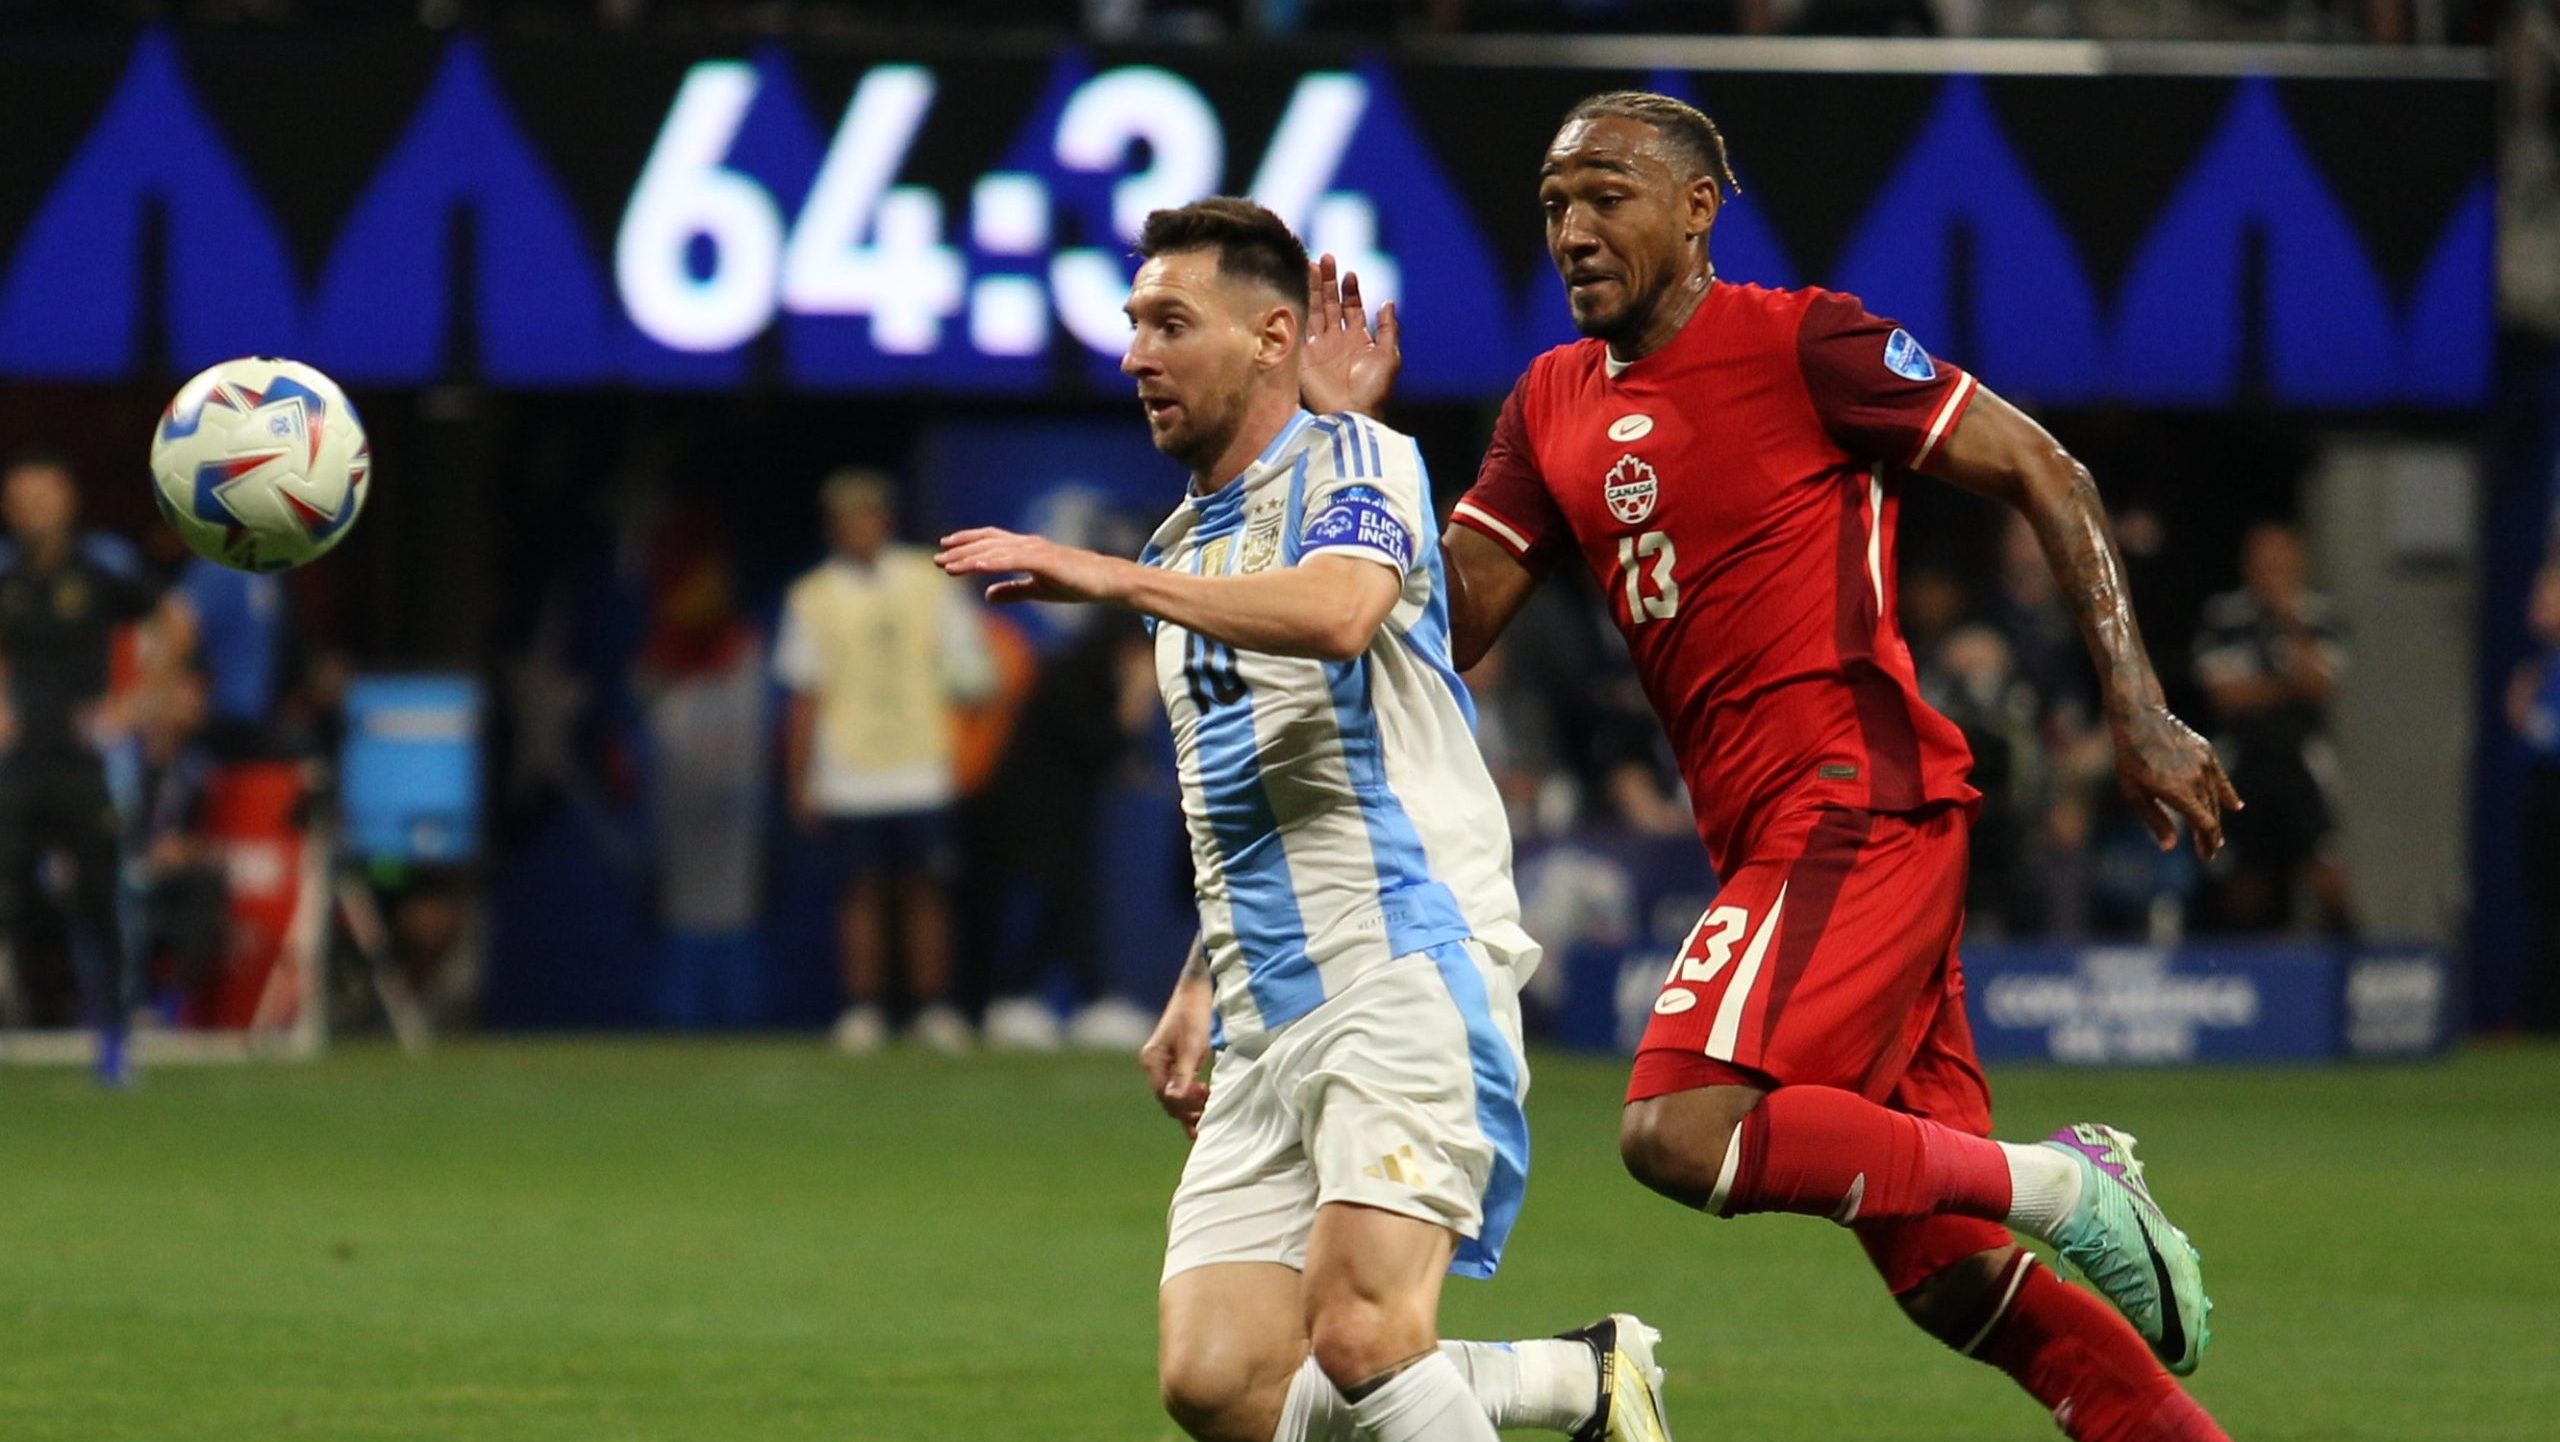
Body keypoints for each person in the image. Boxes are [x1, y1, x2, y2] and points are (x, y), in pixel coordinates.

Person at [1303, 92, 2240, 1441]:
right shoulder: (1550, 401)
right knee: (1947, 1268)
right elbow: (1440, 625)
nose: (1572, 228)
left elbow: (2048, 468)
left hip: (1856, 799)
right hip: (1783, 835)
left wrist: (2140, 706)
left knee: (1678, 1128)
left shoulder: (1806, 342)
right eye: (1556, 203)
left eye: (1607, 194)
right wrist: (1344, 445)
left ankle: (2069, 1180)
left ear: (1697, 209)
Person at [937, 198, 1673, 1442]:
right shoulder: (1193, 541)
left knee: (1363, 1331)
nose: (1135, 354)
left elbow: (1336, 610)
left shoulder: (1357, 460)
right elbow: (1253, 785)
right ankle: (1577, 1380)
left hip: (1399, 962)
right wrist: (1197, 982)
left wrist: (1105, 574)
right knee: (1219, 1380)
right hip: (1265, 999)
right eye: (1131, 324)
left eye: (1171, 322)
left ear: (1271, 336)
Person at [775, 468, 994, 1053]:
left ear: (885, 519)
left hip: (923, 766)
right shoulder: (812, 597)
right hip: (849, 771)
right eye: (847, 518)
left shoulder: (929, 582)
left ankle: (933, 1006)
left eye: (867, 514)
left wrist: (964, 758)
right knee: (861, 890)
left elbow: (972, 676)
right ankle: (866, 1008)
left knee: (927, 889)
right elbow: (804, 696)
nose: (859, 527)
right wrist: (800, 781)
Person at [0, 450, 179, 1085]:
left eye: (44, 494)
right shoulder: (10, 577)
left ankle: (114, 1037)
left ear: (67, 501)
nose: (34, 508)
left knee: (102, 899)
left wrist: (133, 703)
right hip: (20, 764)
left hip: (86, 763)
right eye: (22, 497)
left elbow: (173, 621)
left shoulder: (99, 569)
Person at [2192, 521, 2356, 934]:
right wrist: (2287, 686)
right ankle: (2242, 969)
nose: (2272, 571)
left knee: (2326, 871)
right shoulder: (2225, 617)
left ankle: (2346, 970)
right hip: (2244, 759)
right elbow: (2225, 696)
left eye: (2281, 561)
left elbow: (2319, 682)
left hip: (2300, 756)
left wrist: (2288, 621)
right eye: (2263, 561)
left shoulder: (2320, 616)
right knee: (2244, 879)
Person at [2505, 562, 2560, 1032]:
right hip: (2543, 789)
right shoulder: (2542, 666)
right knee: (2543, 907)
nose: (2540, 605)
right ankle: (2542, 1015)